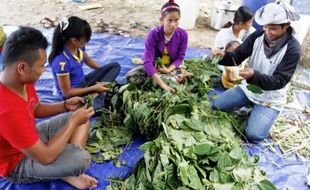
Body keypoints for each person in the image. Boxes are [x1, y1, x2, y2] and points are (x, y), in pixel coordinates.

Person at [0, 27, 98, 189]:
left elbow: (35, 108)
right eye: (41, 66)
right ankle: (66, 170)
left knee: (81, 117)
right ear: (22, 68)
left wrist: (65, 106)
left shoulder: (20, 81)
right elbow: (45, 158)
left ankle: (62, 168)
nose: (43, 70)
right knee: (80, 159)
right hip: (16, 164)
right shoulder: (7, 111)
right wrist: (72, 123)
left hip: (30, 137)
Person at [212, 1, 301, 142]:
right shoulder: (259, 35)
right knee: (217, 106)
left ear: (286, 26)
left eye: (273, 29)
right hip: (249, 89)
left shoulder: (293, 49)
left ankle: (261, 112)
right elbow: (238, 55)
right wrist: (224, 57)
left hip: (269, 98)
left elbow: (279, 81)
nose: (267, 32)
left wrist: (254, 75)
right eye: (266, 27)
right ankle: (250, 105)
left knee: (253, 135)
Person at [49, 16, 121, 110]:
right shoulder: (61, 62)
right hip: (73, 94)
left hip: (85, 82)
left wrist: (104, 72)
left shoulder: (78, 48)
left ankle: (96, 95)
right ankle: (94, 97)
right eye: (85, 40)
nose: (86, 43)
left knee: (115, 66)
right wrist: (94, 88)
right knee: (98, 107)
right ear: (74, 40)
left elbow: (89, 61)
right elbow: (67, 93)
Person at [143, 0, 193, 92]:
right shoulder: (153, 34)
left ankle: (180, 73)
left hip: (171, 66)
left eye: (176, 20)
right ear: (162, 20)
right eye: (169, 20)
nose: (173, 24)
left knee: (173, 84)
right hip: (156, 66)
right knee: (132, 77)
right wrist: (163, 85)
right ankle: (180, 74)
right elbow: (147, 61)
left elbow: (180, 58)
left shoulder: (183, 35)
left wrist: (168, 70)